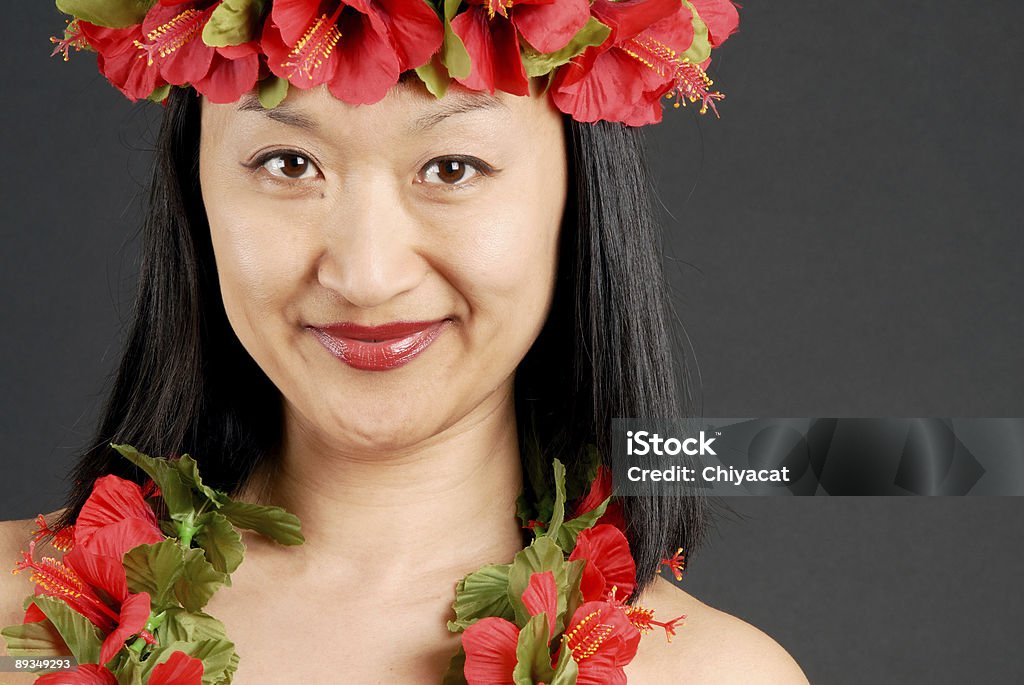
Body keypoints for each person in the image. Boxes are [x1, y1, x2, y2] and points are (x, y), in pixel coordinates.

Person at [2, 1, 806, 682]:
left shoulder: (708, 672)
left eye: (452, 167)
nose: (366, 274)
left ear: (578, 194)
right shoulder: (18, 620)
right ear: (197, 186)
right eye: (287, 162)